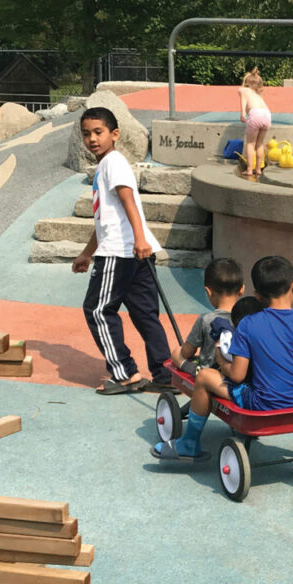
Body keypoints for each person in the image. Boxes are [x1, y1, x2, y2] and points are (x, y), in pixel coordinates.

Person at [153, 255, 293, 460]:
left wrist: (222, 362)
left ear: (257, 295)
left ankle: (189, 443)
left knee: (204, 378)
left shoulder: (249, 324)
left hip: (265, 403)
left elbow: (239, 376)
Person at [72, 106, 171, 395]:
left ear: (114, 134)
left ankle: (125, 373)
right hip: (133, 250)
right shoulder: (108, 165)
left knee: (98, 310)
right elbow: (105, 219)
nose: (92, 139)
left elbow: (129, 201)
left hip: (121, 251)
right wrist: (87, 253)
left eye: (99, 132)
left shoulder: (112, 162)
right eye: (86, 134)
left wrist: (140, 238)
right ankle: (164, 373)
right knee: (145, 314)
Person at [171, 258, 244, 376]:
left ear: (208, 292)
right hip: (238, 370)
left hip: (210, 372)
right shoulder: (248, 319)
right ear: (242, 290)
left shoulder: (206, 319)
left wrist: (182, 353)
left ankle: (191, 368)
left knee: (176, 353)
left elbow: (186, 352)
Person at [239, 67, 271, 177]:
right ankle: (258, 169)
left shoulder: (243, 90)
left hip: (255, 114)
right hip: (267, 114)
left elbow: (243, 101)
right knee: (260, 144)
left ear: (245, 82)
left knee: (250, 143)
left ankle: (249, 169)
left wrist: (242, 113)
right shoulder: (258, 95)